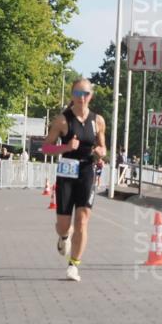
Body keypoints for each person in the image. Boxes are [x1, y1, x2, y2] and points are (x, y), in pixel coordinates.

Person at [40, 78, 106, 281]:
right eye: (77, 94)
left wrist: (100, 153)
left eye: (85, 94)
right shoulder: (62, 120)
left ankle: (74, 265)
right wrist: (65, 148)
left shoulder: (98, 121)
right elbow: (45, 148)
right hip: (67, 171)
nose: (81, 98)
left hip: (87, 170)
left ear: (91, 96)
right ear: (72, 96)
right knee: (63, 224)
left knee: (82, 220)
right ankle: (63, 236)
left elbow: (104, 148)